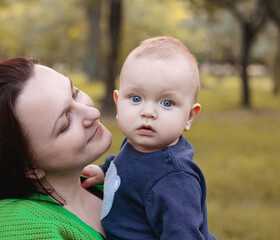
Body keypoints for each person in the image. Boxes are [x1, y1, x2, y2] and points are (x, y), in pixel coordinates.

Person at [0, 57, 112, 240]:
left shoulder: (114, 182)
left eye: (74, 93)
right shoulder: (9, 227)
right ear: (28, 167)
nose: (93, 113)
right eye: (65, 123)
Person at [82, 37, 218, 239]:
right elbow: (128, 164)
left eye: (167, 103)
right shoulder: (138, 142)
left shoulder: (174, 180)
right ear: (118, 103)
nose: (148, 112)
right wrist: (105, 171)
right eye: (136, 99)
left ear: (189, 117)